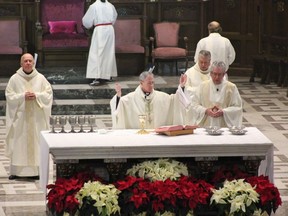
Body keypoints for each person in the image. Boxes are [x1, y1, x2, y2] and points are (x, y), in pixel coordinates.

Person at [5, 53, 53, 180]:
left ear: (33, 63)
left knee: (37, 142)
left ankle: (37, 171)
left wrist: (36, 95)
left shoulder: (41, 78)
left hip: (36, 119)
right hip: (20, 119)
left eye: (30, 61)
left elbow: (48, 94)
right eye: (25, 61)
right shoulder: (14, 79)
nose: (27, 63)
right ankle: (16, 172)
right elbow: (9, 96)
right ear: (21, 64)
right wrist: (22, 96)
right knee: (18, 141)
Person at [110, 71, 188, 129]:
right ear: (141, 83)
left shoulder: (161, 97)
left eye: (153, 83)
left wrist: (181, 86)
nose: (152, 85)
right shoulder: (131, 99)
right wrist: (118, 96)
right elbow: (118, 106)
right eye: (149, 83)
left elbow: (175, 100)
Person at [189, 61, 243, 128]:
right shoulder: (203, 86)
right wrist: (206, 111)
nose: (216, 77)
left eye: (219, 74)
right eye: (214, 74)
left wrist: (224, 112)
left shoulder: (232, 88)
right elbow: (194, 104)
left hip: (224, 128)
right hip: (206, 126)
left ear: (224, 74)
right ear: (210, 73)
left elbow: (238, 107)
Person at [82, 0, 118, 86]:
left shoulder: (94, 6)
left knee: (98, 53)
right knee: (108, 53)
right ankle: (108, 75)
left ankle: (97, 77)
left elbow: (87, 22)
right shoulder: (111, 5)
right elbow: (114, 18)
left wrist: (90, 25)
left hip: (100, 30)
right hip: (110, 29)